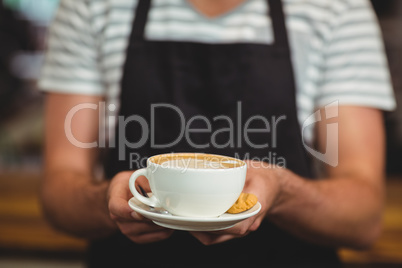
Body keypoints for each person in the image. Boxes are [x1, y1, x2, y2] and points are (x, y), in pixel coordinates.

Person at [39, 0, 396, 267]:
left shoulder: (337, 8)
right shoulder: (91, 5)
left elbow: (363, 220)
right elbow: (59, 192)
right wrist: (110, 203)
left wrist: (284, 192)